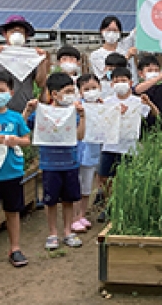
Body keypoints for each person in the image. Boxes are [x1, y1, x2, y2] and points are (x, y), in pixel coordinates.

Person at [23, 72, 86, 250]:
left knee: (68, 200)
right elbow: (22, 127)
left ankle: (68, 231)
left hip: (71, 163)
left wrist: (83, 117)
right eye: (67, 91)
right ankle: (52, 233)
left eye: (73, 91)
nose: (71, 95)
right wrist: (28, 110)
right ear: (54, 94)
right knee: (50, 201)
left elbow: (80, 136)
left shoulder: (74, 113)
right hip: (50, 164)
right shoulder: (42, 112)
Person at [97, 67, 159, 223]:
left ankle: (124, 206)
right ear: (111, 84)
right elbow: (98, 122)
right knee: (106, 178)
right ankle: (108, 206)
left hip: (130, 147)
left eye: (123, 81)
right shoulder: (106, 102)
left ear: (131, 83)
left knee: (127, 177)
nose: (120, 84)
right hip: (109, 145)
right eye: (116, 81)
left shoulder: (138, 101)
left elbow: (156, 115)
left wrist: (149, 103)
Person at [0, 71, 31, 266]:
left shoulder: (15, 118)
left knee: (13, 211)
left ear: (10, 93)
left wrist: (15, 140)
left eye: (1, 90)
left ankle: (15, 248)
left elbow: (26, 140)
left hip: (11, 172)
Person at [71, 74, 103, 233]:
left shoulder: (104, 107)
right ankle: (74, 218)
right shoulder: (76, 107)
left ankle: (82, 214)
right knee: (75, 185)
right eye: (86, 89)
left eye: (94, 88)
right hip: (77, 150)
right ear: (80, 92)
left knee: (86, 187)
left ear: (100, 88)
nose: (91, 91)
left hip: (92, 151)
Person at [0, 15, 48, 112]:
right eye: (13, 31)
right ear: (5, 34)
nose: (17, 35)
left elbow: (41, 84)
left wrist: (42, 61)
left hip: (26, 110)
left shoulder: (32, 57)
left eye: (20, 32)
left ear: (26, 36)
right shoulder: (0, 55)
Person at [134, 46, 162, 131]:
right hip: (143, 129)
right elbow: (138, 90)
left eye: (156, 70)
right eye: (150, 70)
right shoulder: (139, 87)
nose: (154, 73)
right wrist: (158, 77)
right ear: (141, 73)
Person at [89, 15, 138, 84]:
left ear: (120, 32)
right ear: (101, 31)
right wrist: (127, 57)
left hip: (131, 88)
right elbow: (109, 74)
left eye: (115, 30)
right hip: (109, 91)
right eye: (108, 30)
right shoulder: (96, 55)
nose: (111, 33)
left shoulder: (126, 45)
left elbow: (137, 30)